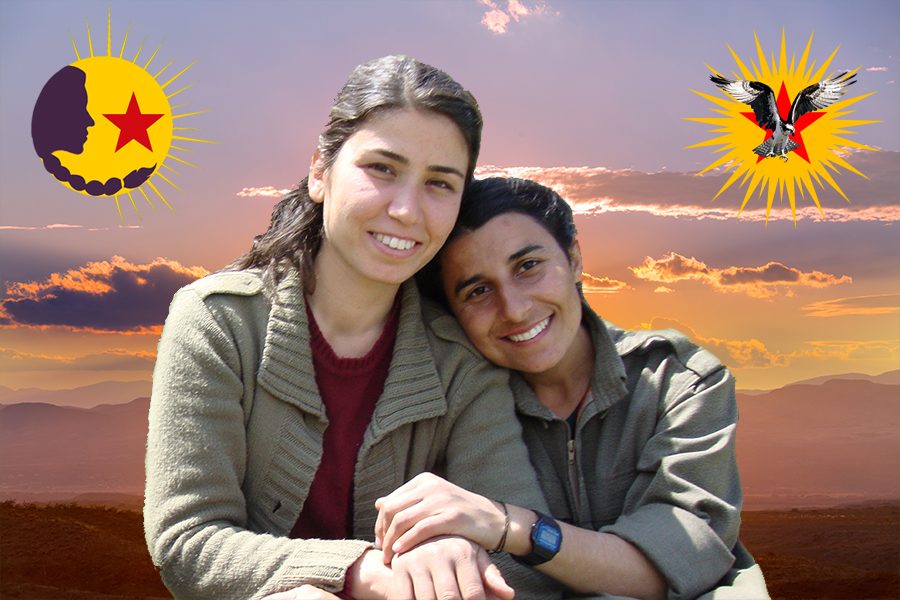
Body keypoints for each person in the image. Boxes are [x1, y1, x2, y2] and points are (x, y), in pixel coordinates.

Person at [144, 59, 560, 600]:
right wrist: (363, 570)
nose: (406, 210)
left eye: (439, 183)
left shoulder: (461, 359)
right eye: (382, 169)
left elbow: (524, 569)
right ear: (320, 171)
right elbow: (187, 541)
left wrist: (460, 550)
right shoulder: (218, 321)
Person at [375, 177, 770, 599]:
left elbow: (678, 560)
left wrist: (510, 525)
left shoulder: (681, 381)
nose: (515, 309)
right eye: (478, 291)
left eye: (528, 266)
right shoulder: (453, 408)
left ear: (575, 259)